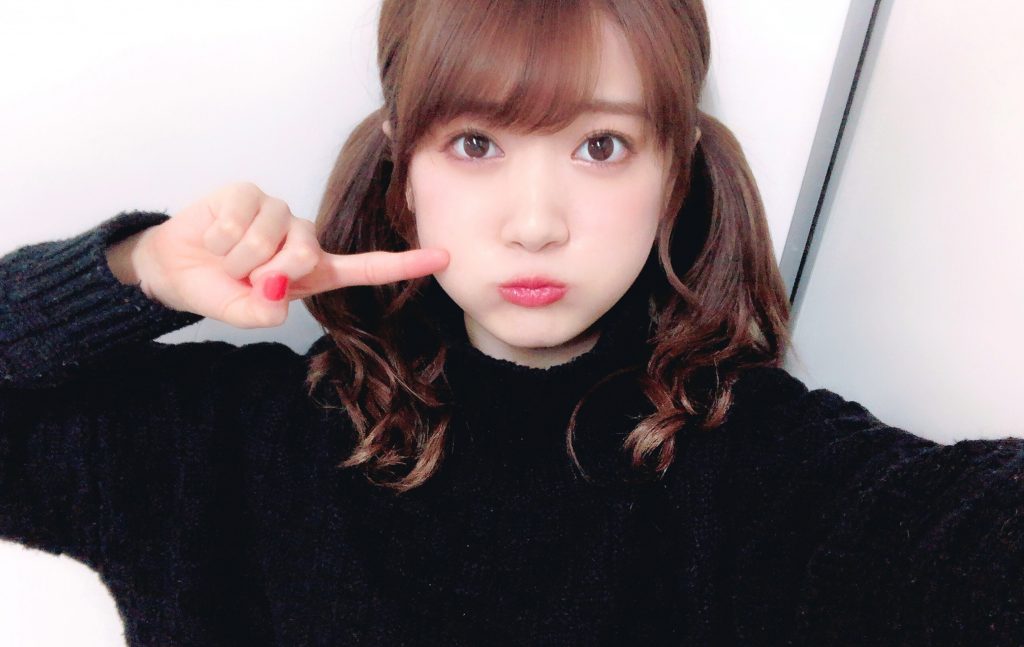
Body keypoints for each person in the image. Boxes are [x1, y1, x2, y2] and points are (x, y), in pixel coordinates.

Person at [1, 0, 1021, 645]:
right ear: (403, 167)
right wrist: (133, 274)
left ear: (674, 172)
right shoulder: (229, 443)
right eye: (477, 143)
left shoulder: (764, 466)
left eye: (602, 146)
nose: (536, 224)